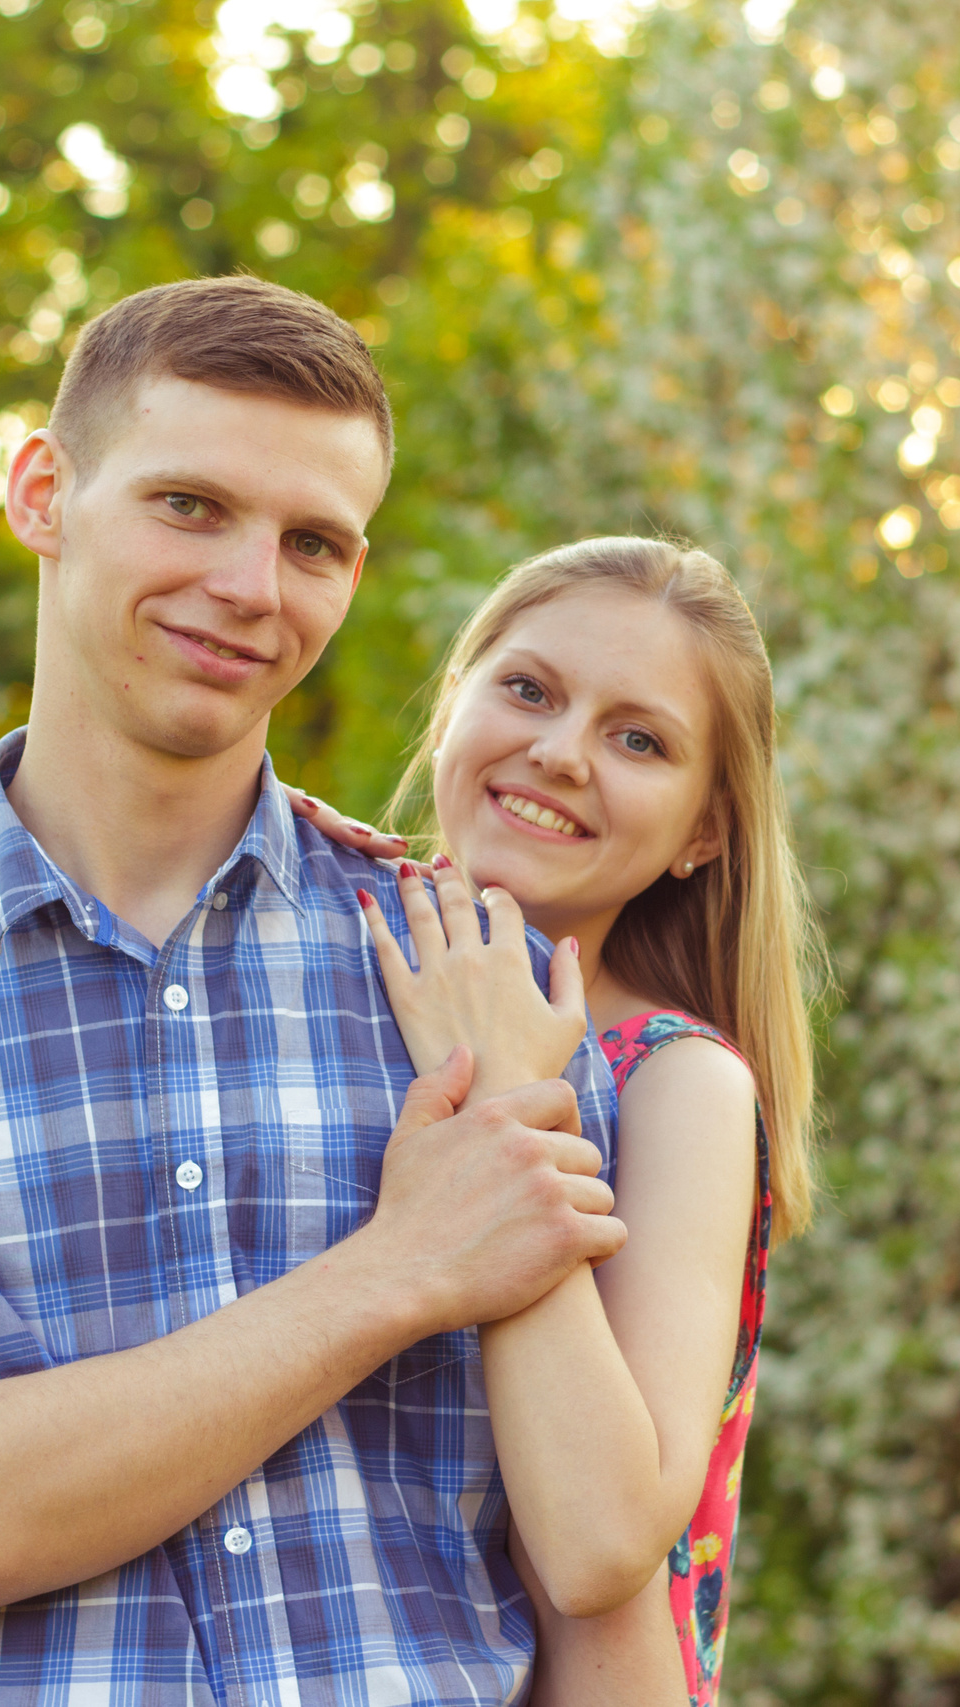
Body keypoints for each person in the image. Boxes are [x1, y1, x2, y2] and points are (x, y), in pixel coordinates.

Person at [0, 275, 628, 1705]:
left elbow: (596, 1577)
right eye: (190, 505)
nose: (253, 587)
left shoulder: (476, 971)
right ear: (43, 492)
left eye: (314, 541)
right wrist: (395, 1271)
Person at [296, 538, 820, 1703]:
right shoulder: (308, 957)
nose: (560, 751)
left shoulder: (676, 1085)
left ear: (703, 832)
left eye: (639, 740)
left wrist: (505, 1098)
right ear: (452, 709)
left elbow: (597, 1546)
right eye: (528, 690)